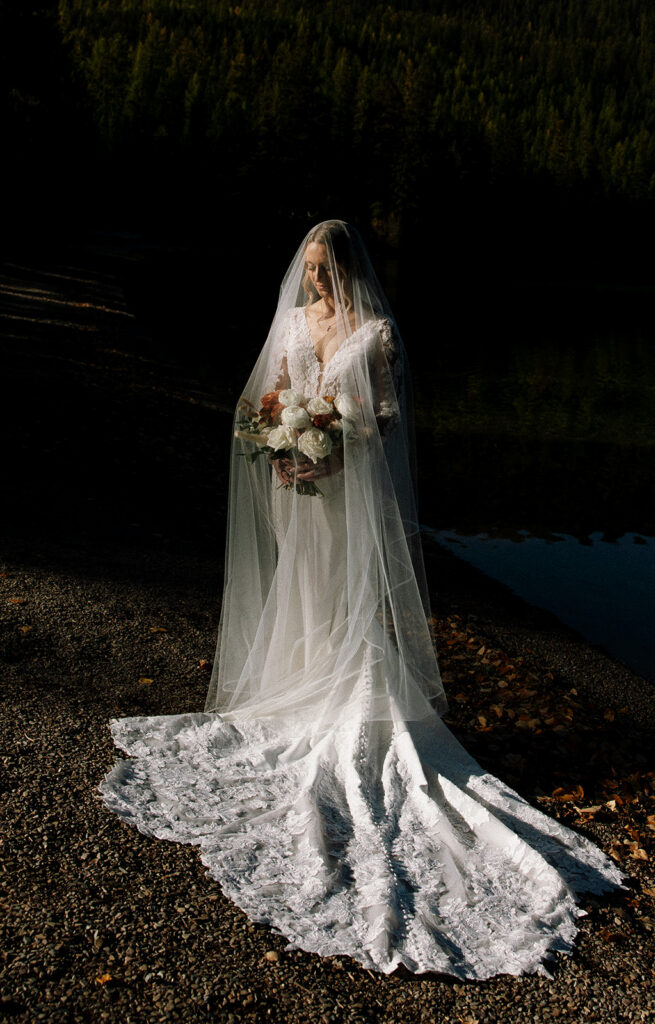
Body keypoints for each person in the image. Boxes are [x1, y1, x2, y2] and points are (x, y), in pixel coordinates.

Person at [100, 220, 624, 978]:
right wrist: (280, 440)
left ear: (346, 269)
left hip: (345, 488)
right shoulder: (290, 319)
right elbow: (275, 391)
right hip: (297, 476)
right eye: (307, 270)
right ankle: (295, 686)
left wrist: (330, 451)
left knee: (347, 594)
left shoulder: (373, 331)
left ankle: (350, 697)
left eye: (324, 270)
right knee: (300, 588)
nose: (314, 282)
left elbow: (380, 414)